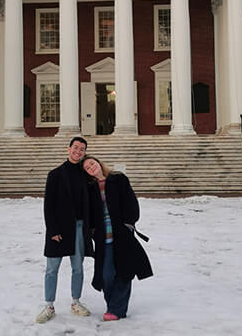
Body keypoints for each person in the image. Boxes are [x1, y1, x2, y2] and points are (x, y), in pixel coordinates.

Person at [82, 154, 153, 321]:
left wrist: (129, 225)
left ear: (98, 162)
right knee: (105, 274)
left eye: (92, 163)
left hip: (121, 234)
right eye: (87, 168)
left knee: (124, 271)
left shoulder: (118, 179)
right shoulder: (90, 187)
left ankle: (116, 310)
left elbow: (131, 202)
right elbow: (88, 213)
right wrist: (92, 231)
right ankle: (113, 305)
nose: (92, 167)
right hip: (102, 236)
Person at [35, 137, 95, 324]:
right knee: (52, 269)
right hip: (59, 229)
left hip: (79, 227)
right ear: (68, 149)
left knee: (78, 268)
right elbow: (48, 205)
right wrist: (52, 230)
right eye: (75, 148)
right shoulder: (55, 175)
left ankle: (76, 302)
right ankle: (49, 306)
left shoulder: (86, 175)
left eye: (82, 149)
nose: (78, 151)